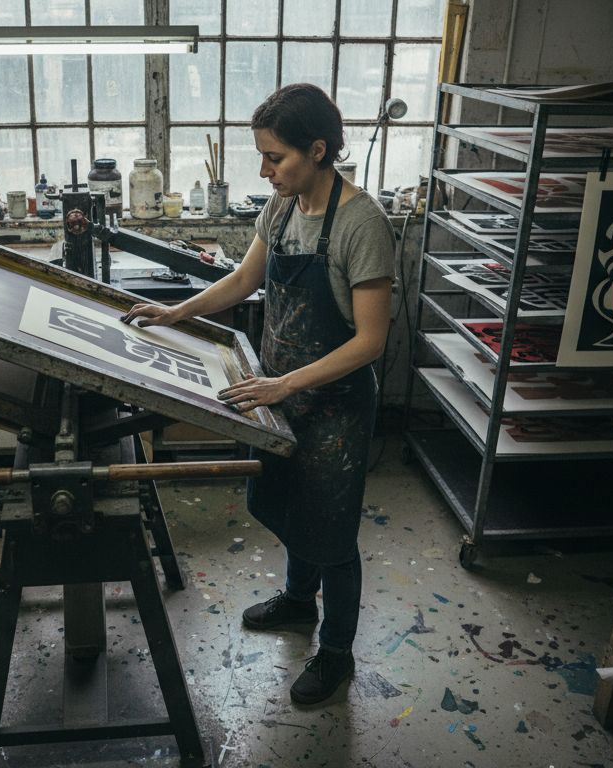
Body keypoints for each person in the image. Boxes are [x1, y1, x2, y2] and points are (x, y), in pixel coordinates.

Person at [122, 83, 396, 706]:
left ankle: (336, 652)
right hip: (281, 390)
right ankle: (300, 604)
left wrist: (286, 382)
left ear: (319, 150)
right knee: (289, 505)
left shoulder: (362, 224)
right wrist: (177, 314)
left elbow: (371, 341)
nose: (264, 169)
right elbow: (245, 280)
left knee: (332, 531)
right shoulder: (280, 208)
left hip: (335, 406)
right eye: (262, 156)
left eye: (276, 157)